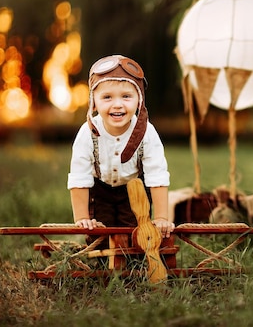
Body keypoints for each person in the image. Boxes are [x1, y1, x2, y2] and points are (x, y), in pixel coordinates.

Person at [67, 54, 174, 239]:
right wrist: (82, 218)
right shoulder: (88, 132)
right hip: (100, 190)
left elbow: (157, 174)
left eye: (126, 96)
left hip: (134, 190)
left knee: (137, 237)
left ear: (139, 100)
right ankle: (100, 257)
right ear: (94, 101)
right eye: (107, 97)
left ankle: (133, 261)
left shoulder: (146, 132)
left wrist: (162, 218)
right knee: (98, 235)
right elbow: (79, 176)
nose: (118, 105)